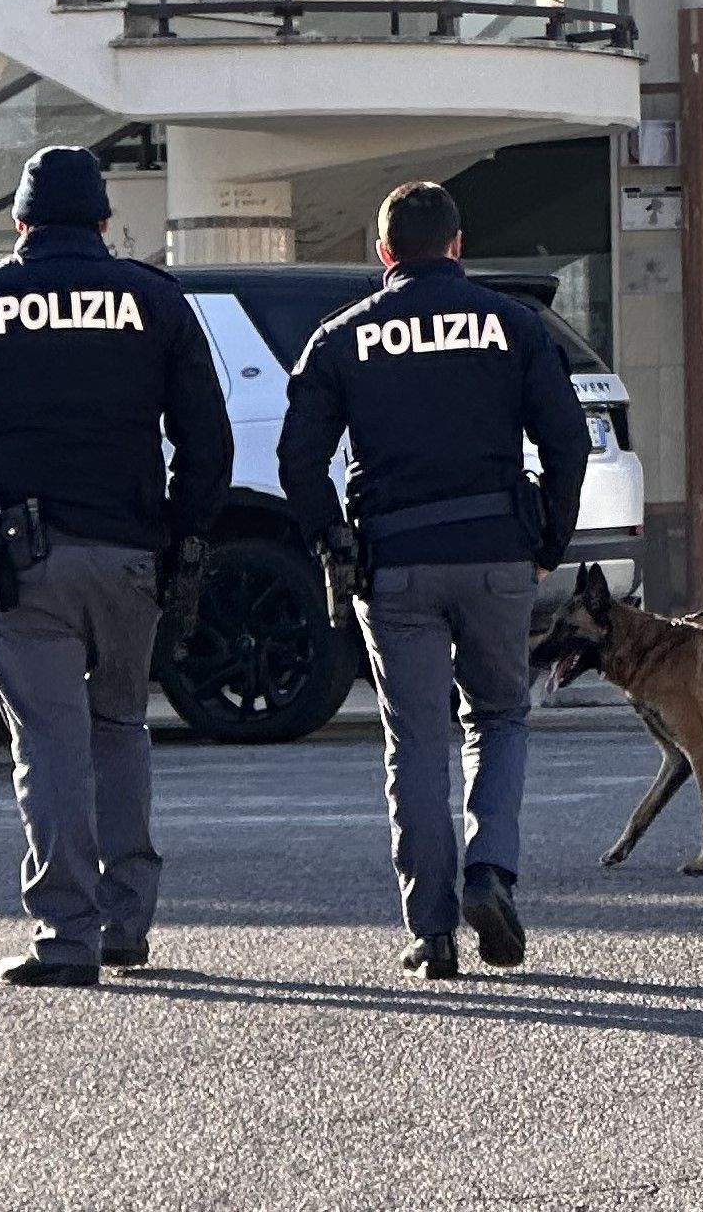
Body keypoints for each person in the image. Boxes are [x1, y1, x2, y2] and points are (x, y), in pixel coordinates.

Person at [0, 144, 232, 988]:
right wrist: (183, 536)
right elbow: (208, 437)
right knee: (121, 727)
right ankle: (126, 922)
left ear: (18, 224)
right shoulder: (154, 298)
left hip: (19, 562)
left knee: (48, 740)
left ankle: (66, 936)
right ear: (102, 222)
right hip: (129, 551)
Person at [277, 181, 591, 982]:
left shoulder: (341, 335)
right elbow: (566, 440)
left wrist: (329, 541)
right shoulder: (513, 325)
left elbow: (297, 459)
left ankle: (434, 931)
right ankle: (490, 870)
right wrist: (548, 539)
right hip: (496, 552)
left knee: (415, 739)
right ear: (457, 244)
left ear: (384, 254)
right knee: (498, 717)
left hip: (393, 562)